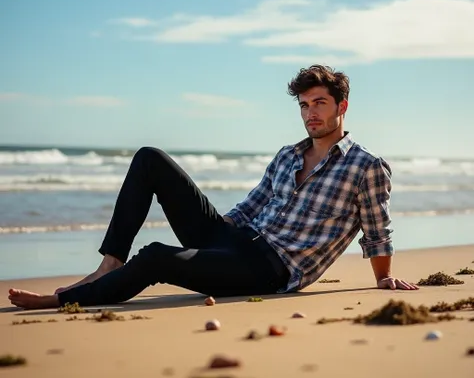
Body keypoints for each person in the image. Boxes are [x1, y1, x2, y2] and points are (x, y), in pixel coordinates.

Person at [8, 65, 418, 310]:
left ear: (341, 106)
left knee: (156, 256)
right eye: (304, 105)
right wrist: (206, 230)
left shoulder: (365, 166)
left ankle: (65, 300)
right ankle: (110, 263)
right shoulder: (288, 155)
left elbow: (376, 229)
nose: (310, 114)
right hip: (236, 241)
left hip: (270, 269)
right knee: (150, 157)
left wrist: (384, 278)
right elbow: (249, 207)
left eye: (319, 104)